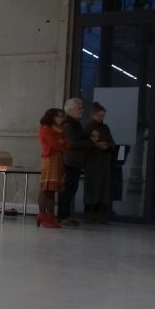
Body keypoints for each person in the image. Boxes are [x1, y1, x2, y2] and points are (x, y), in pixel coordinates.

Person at [58, 97, 92, 226]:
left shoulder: (76, 124)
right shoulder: (68, 125)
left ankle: (66, 214)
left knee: (72, 189)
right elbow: (71, 143)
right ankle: (62, 215)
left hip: (75, 162)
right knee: (67, 190)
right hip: (69, 162)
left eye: (82, 107)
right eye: (79, 108)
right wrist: (90, 142)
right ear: (70, 110)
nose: (82, 110)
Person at [83, 102, 114, 223]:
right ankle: (90, 214)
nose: (102, 118)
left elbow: (112, 142)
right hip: (92, 162)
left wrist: (108, 145)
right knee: (92, 188)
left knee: (103, 188)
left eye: (103, 116)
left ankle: (101, 215)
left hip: (104, 162)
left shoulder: (105, 128)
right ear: (93, 115)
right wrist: (96, 145)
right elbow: (84, 144)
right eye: (99, 115)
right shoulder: (88, 128)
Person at [37, 107, 69, 228]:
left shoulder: (59, 130)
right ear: (52, 117)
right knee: (46, 189)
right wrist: (61, 142)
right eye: (58, 116)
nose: (61, 119)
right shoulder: (45, 129)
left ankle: (50, 216)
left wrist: (61, 142)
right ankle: (42, 215)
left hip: (57, 160)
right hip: (49, 160)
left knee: (52, 190)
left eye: (62, 116)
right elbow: (55, 145)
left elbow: (67, 145)